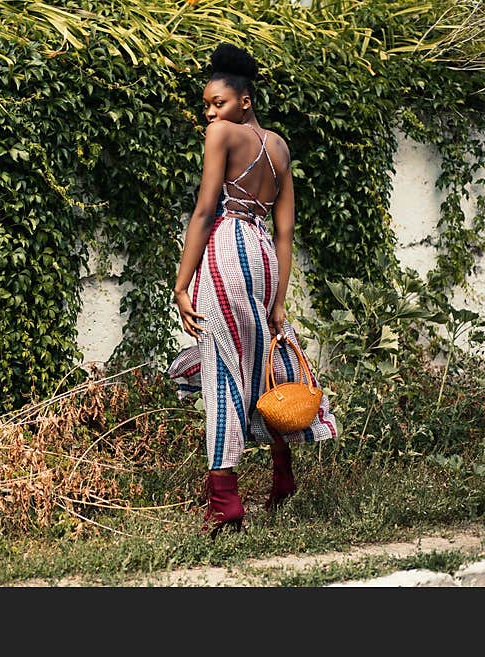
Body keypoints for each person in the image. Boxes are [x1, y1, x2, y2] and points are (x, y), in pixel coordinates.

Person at [168, 43, 339, 538]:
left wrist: (182, 284)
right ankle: (282, 475)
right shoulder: (280, 146)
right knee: (261, 363)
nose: (209, 112)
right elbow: (286, 233)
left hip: (225, 250)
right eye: (206, 105)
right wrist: (279, 300)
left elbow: (204, 211)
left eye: (216, 102)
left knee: (223, 369)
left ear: (243, 100)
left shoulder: (221, 134)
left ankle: (224, 501)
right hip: (262, 255)